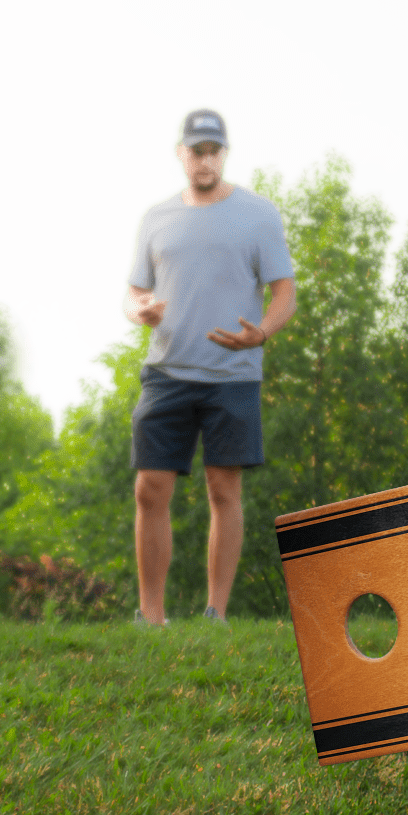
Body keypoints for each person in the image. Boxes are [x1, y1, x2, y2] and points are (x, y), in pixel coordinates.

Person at [125, 108, 296, 625]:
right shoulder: (155, 217)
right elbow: (135, 291)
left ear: (224, 154)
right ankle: (151, 616)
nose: (204, 159)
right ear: (181, 154)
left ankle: (215, 613)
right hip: (167, 373)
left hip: (233, 375)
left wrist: (261, 331)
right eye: (196, 150)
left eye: (213, 150)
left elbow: (285, 292)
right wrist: (141, 310)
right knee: (149, 489)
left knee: (225, 490)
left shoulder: (258, 214)